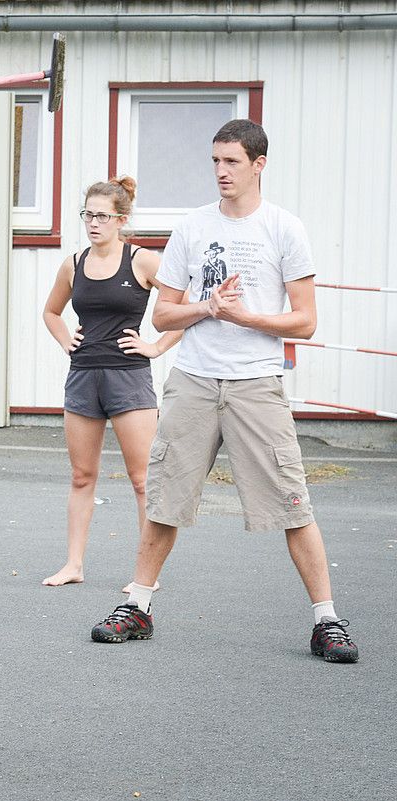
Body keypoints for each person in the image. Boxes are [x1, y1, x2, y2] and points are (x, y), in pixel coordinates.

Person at [90, 119, 359, 664]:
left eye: (231, 161)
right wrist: (210, 308)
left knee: (293, 503)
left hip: (256, 382)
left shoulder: (285, 229)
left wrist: (247, 317)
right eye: (215, 160)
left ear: (259, 164)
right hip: (193, 379)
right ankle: (137, 604)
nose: (220, 171)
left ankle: (327, 620)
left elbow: (305, 322)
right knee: (164, 498)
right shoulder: (192, 227)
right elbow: (163, 312)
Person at [40, 177, 182, 590]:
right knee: (82, 476)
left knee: (142, 480)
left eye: (102, 216)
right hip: (84, 377)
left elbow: (184, 308)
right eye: (88, 215)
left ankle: (145, 577)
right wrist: (67, 340)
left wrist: (156, 347)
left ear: (121, 219)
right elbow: (51, 312)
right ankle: (73, 565)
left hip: (128, 379)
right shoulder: (74, 262)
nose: (93, 223)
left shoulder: (143, 261)